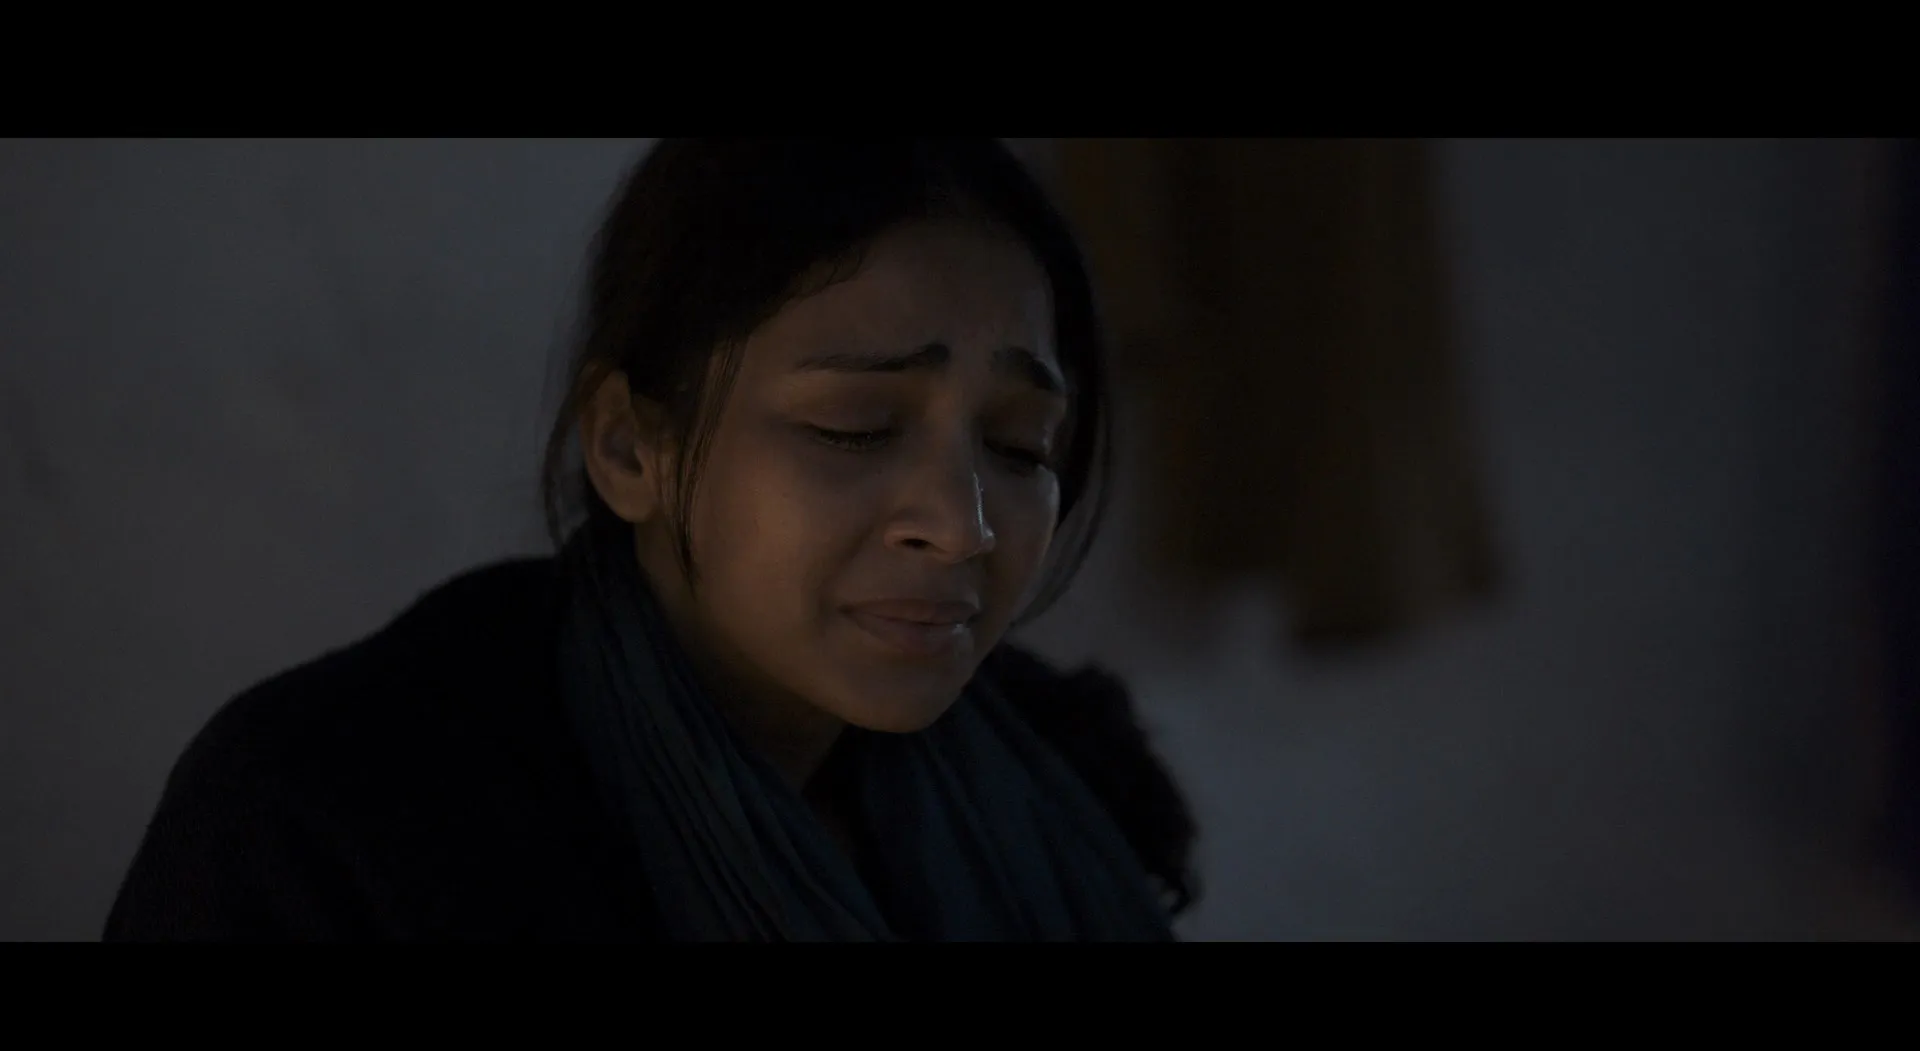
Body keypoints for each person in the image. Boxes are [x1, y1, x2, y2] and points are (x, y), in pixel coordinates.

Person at [104, 139, 1199, 942]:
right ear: (630, 448)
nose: (960, 527)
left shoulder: (1068, 778)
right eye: (855, 427)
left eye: (1017, 446)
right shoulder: (336, 825)